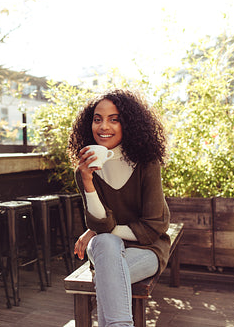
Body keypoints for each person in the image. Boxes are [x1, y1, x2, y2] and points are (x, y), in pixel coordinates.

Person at [68, 88, 171, 327]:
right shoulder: (84, 170)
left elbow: (154, 225)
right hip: (107, 250)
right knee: (105, 245)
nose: (104, 126)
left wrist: (100, 230)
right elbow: (99, 225)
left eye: (114, 119)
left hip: (148, 249)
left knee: (108, 271)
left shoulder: (146, 163)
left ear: (129, 124)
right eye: (98, 119)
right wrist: (87, 181)